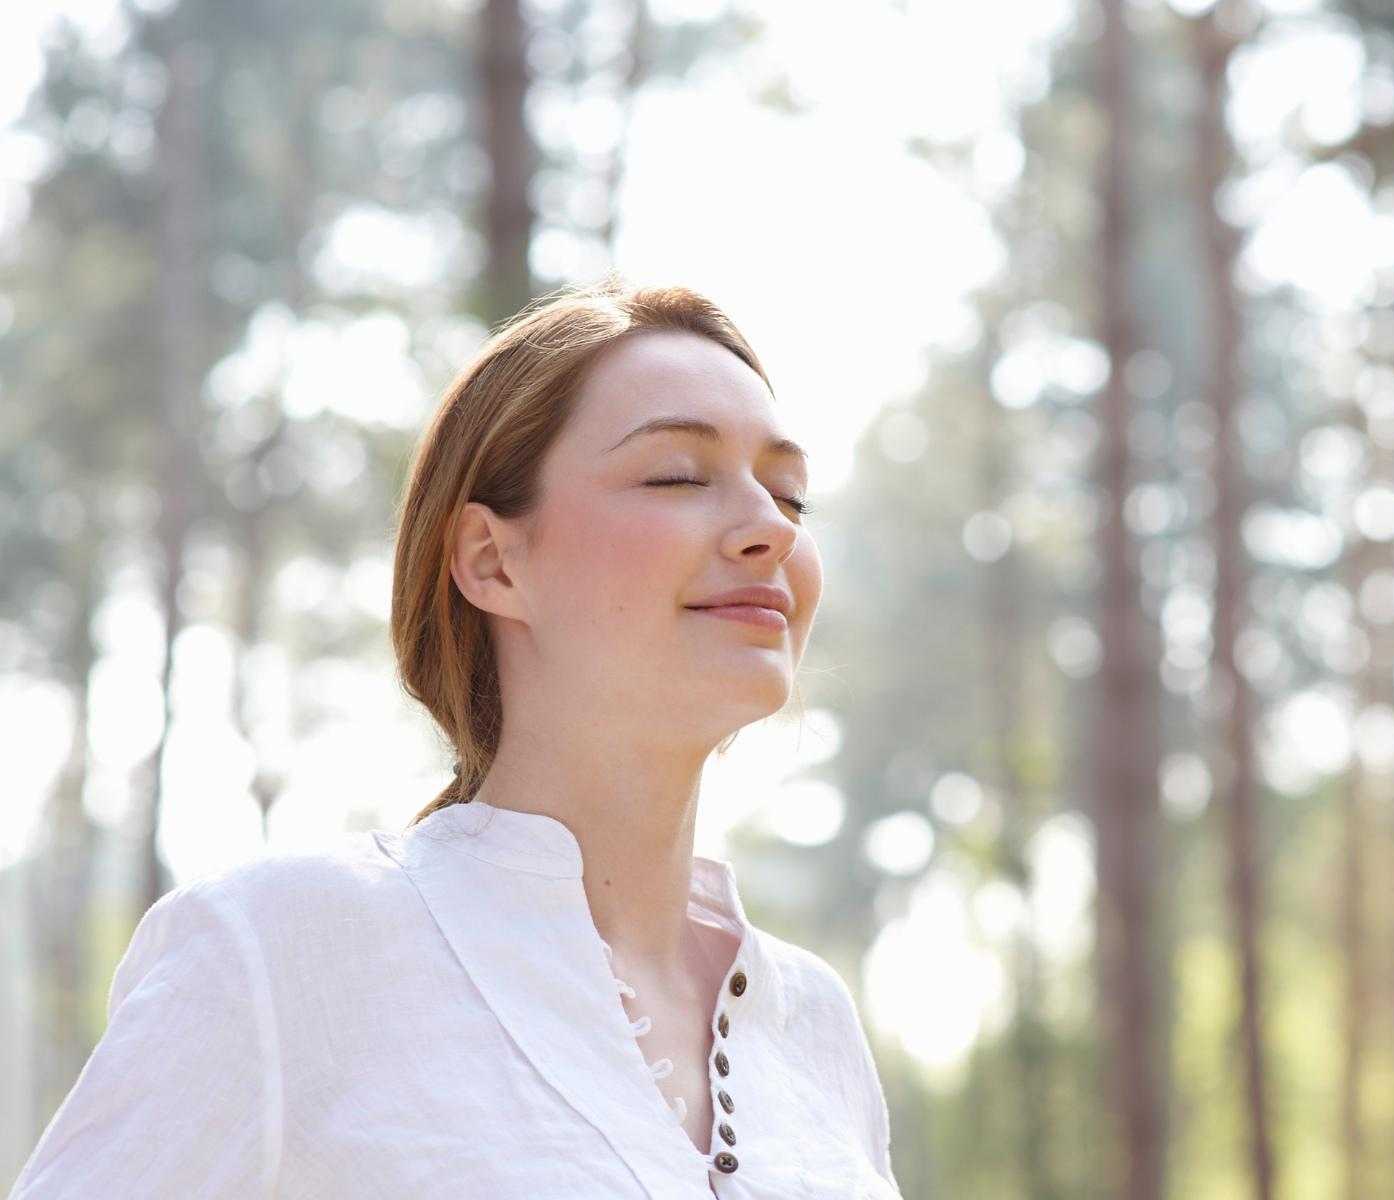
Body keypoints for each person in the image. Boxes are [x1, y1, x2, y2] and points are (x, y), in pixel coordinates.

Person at [9, 278, 901, 1199]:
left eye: (791, 496)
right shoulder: (281, 953)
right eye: (677, 475)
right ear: (490, 559)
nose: (766, 526)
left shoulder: (814, 1027)